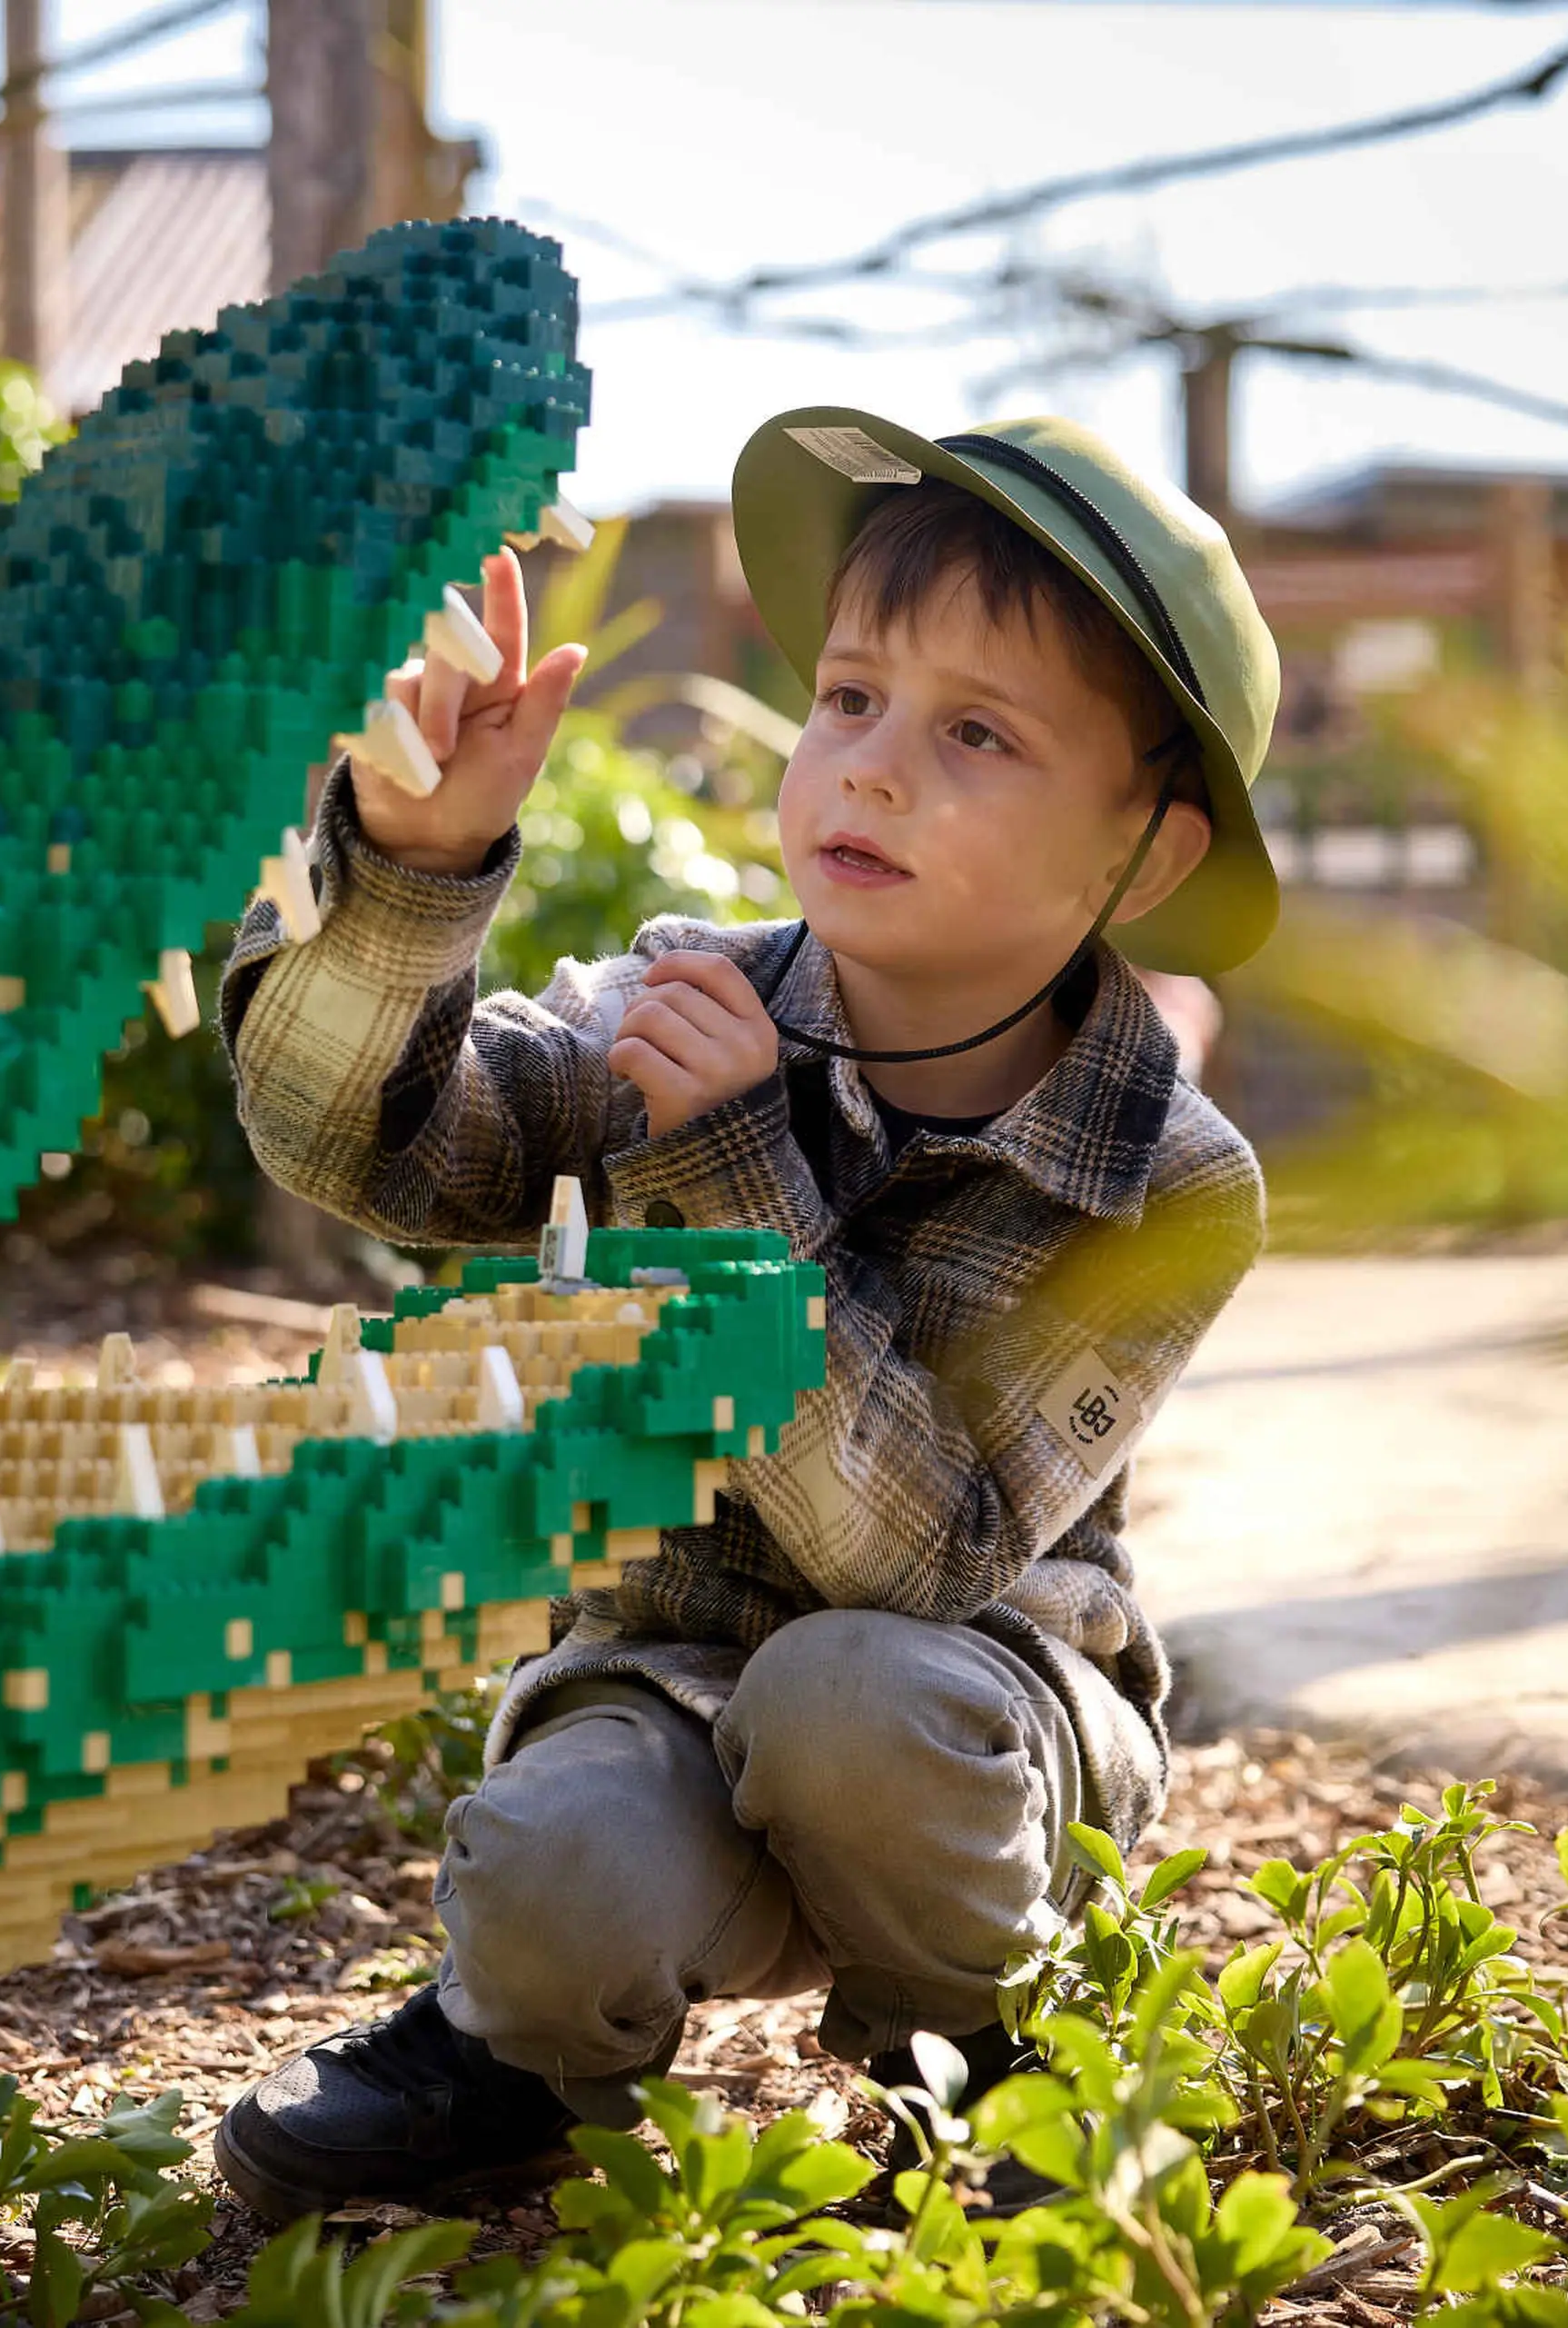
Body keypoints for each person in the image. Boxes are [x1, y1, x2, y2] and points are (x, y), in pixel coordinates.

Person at [208, 408, 1283, 2217]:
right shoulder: (683, 1001)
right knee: (555, 1869)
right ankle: (519, 2058)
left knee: (855, 1696)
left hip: (976, 1716)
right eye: (850, 698)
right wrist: (408, 865)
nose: (867, 770)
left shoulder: (1164, 1182)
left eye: (978, 735)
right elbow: (361, 1147)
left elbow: (921, 1559)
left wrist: (730, 1182)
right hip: (673, 1683)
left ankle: (980, 2056)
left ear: (1143, 858)